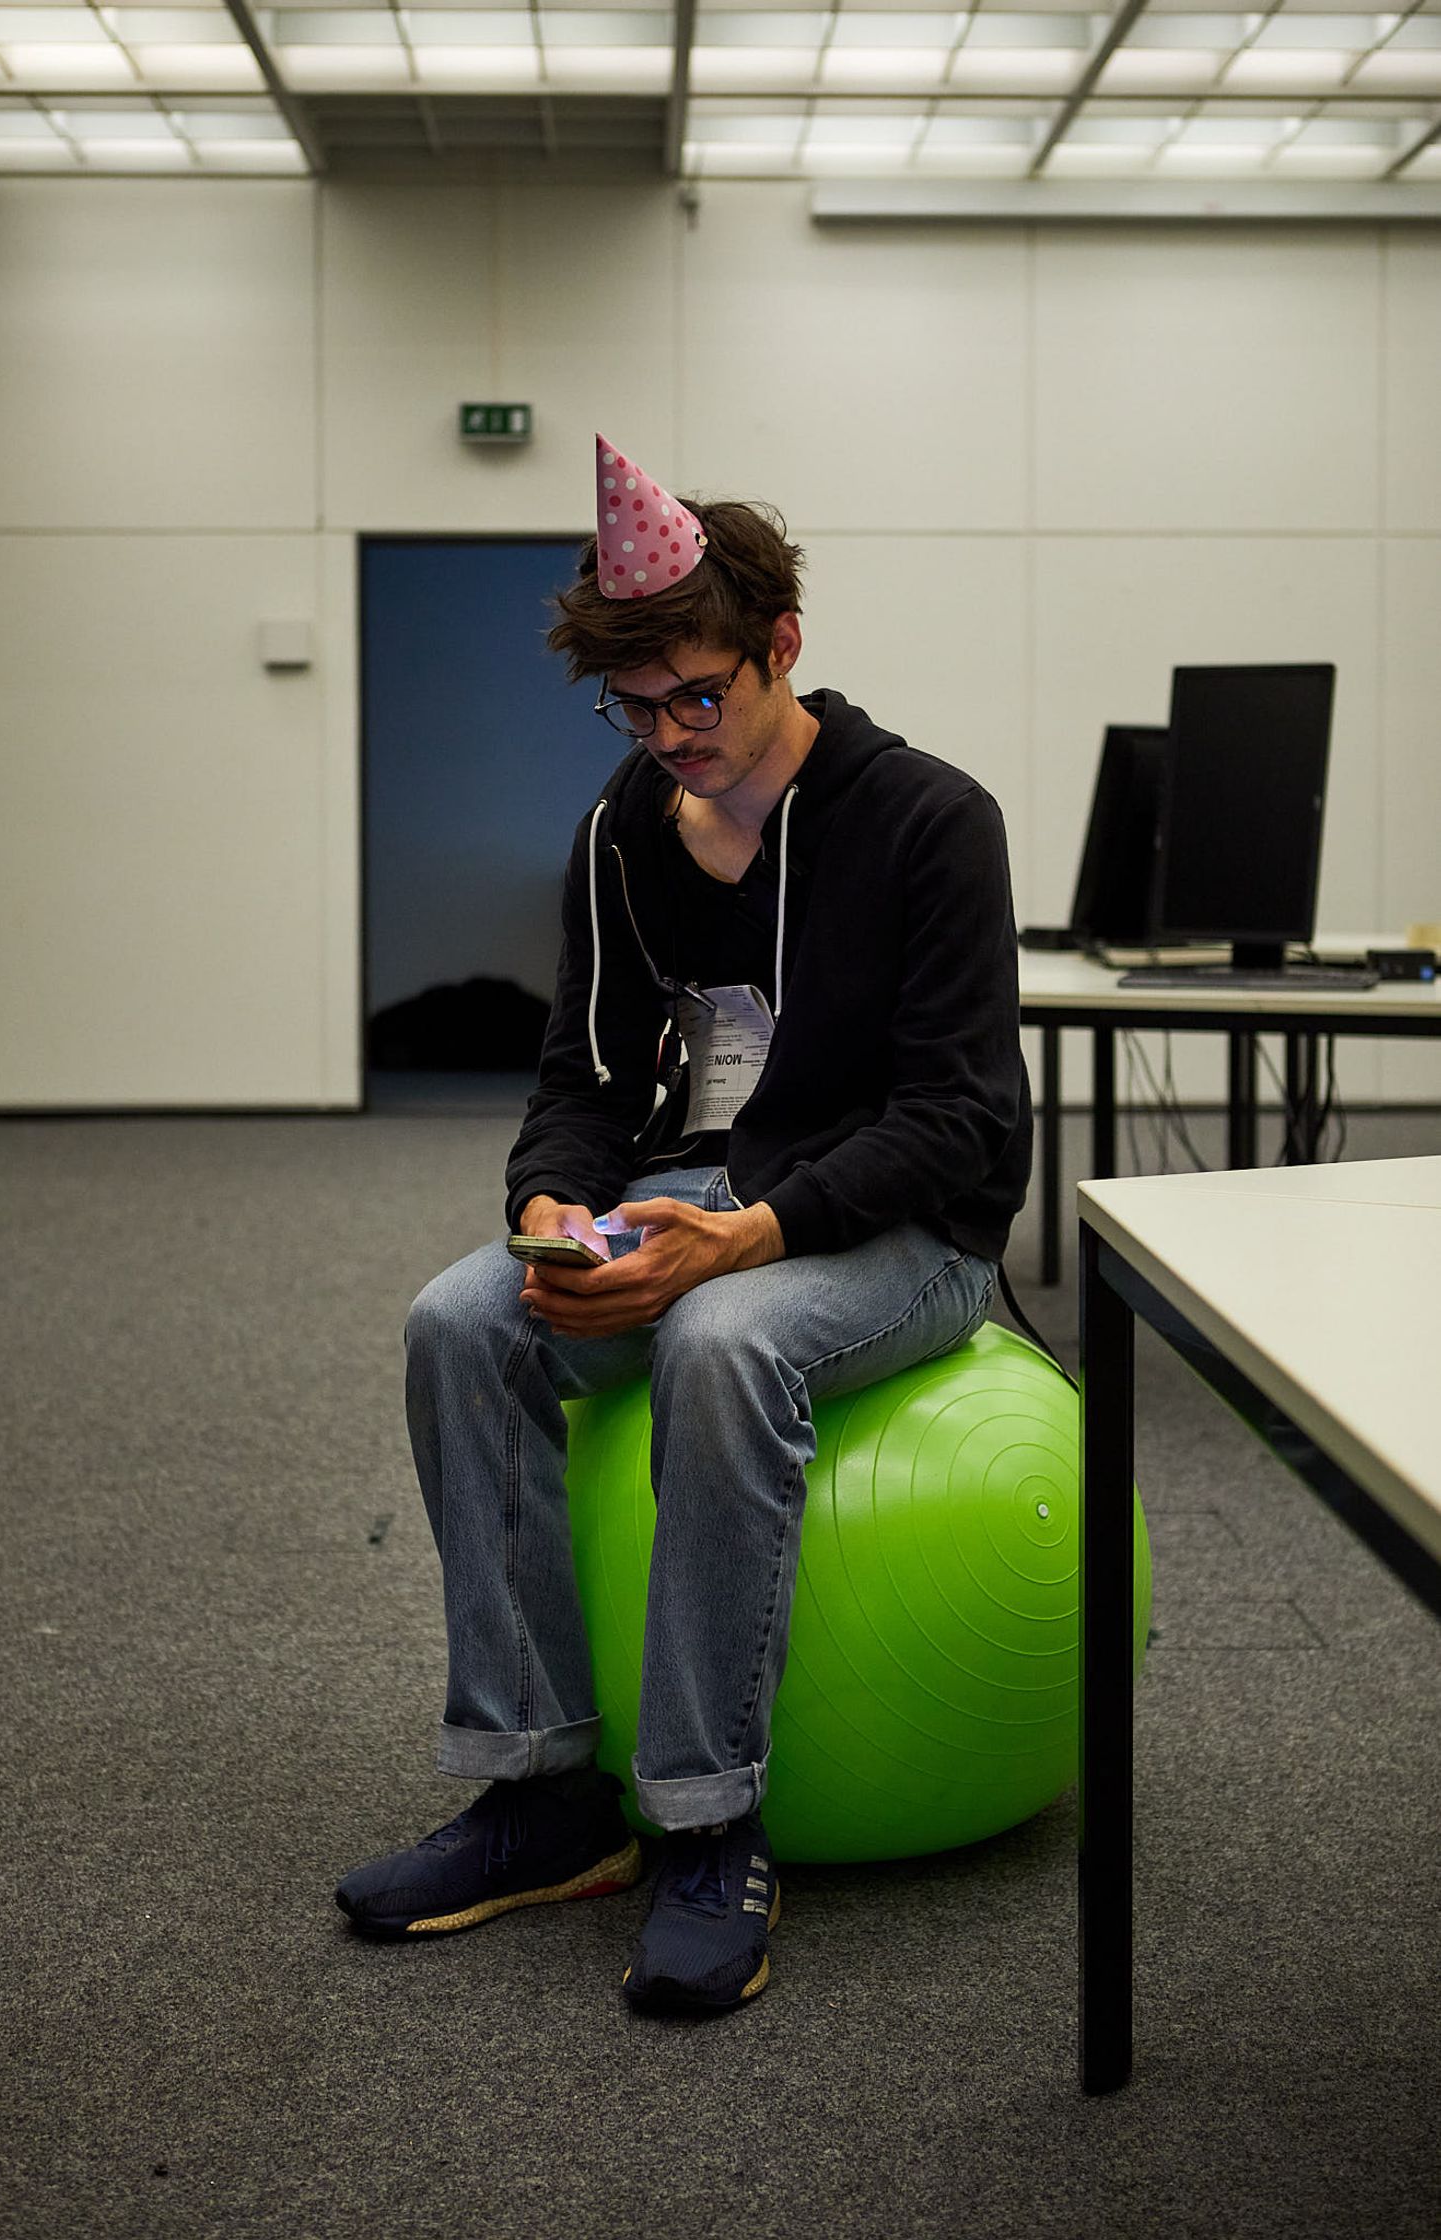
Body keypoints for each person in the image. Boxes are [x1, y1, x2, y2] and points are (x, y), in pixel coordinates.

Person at [335, 436, 1033, 2014]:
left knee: (720, 1341)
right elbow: (580, 1078)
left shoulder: (928, 820)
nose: (667, 739)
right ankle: (543, 1792)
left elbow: (959, 1119)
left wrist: (752, 1235)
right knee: (460, 1321)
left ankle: (710, 1822)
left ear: (781, 646)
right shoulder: (623, 830)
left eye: (696, 700)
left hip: (908, 1232)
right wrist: (548, 1206)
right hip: (692, 1195)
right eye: (633, 710)